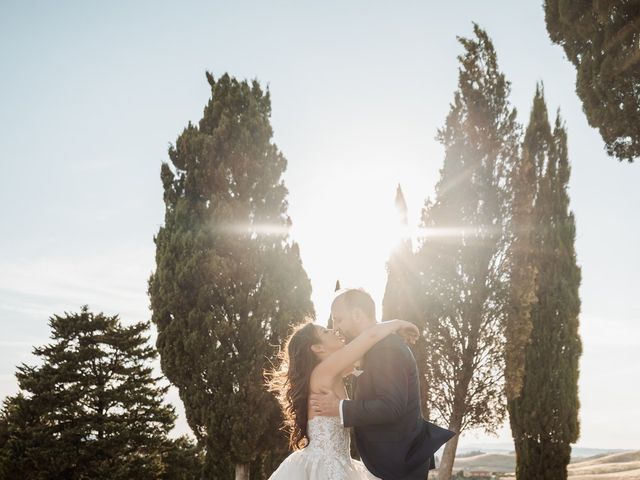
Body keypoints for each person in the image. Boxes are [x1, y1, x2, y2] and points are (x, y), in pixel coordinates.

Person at [309, 288, 456, 480]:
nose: (335, 327)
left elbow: (391, 406)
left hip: (397, 466)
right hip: (387, 464)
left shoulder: (386, 350)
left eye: (338, 319)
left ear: (357, 315)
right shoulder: (372, 349)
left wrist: (340, 407)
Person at [267, 310, 420, 479]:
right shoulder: (322, 372)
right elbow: (370, 337)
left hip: (341, 462)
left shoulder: (331, 372)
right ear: (318, 348)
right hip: (326, 466)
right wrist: (399, 323)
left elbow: (367, 356)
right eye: (325, 331)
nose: (334, 330)